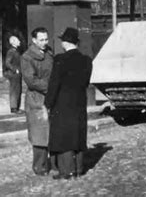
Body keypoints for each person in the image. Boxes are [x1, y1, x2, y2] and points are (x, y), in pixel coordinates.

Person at [45, 27, 92, 180]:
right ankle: (78, 169)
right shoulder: (86, 60)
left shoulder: (60, 59)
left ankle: (66, 171)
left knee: (63, 136)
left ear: (65, 42)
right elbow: (85, 82)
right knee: (78, 134)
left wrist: (48, 103)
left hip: (62, 103)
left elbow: (54, 84)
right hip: (79, 102)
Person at [21, 27, 54, 176]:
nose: (45, 42)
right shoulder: (27, 57)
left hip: (51, 98)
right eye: (41, 40)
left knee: (52, 132)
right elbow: (31, 81)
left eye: (46, 39)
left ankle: (54, 164)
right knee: (39, 134)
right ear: (34, 40)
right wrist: (51, 88)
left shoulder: (49, 53)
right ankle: (39, 166)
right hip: (36, 99)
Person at [5, 35, 23, 114]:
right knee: (14, 90)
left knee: (18, 90)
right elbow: (7, 63)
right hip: (14, 74)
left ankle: (16, 107)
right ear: (13, 42)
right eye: (18, 40)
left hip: (17, 74)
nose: (19, 42)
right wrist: (15, 70)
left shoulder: (15, 51)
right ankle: (14, 108)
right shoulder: (11, 51)